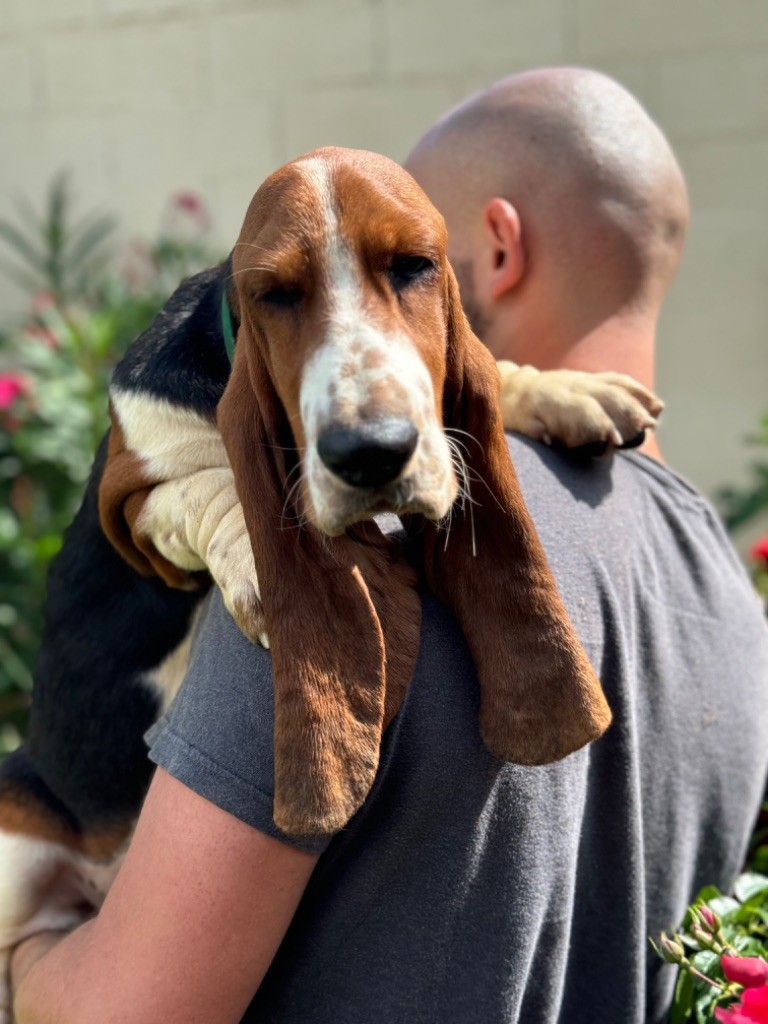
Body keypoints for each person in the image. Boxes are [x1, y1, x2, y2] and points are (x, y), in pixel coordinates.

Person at [12, 69, 768, 1024]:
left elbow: (122, 1015)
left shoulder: (331, 562)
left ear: (495, 250)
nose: (351, 316)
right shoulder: (733, 604)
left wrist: (29, 955)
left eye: (404, 262)